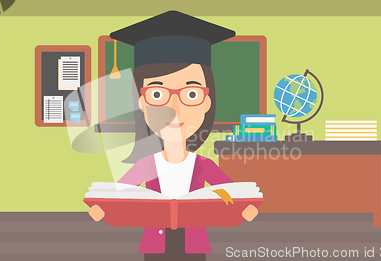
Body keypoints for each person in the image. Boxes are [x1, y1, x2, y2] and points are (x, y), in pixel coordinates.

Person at [89, 11, 259, 261]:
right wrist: (100, 208)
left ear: (207, 103)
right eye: (157, 95)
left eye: (191, 94)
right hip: (155, 244)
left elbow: (231, 194)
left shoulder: (204, 166)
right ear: (142, 104)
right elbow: (118, 194)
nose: (173, 109)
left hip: (195, 244)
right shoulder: (146, 165)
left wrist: (246, 209)